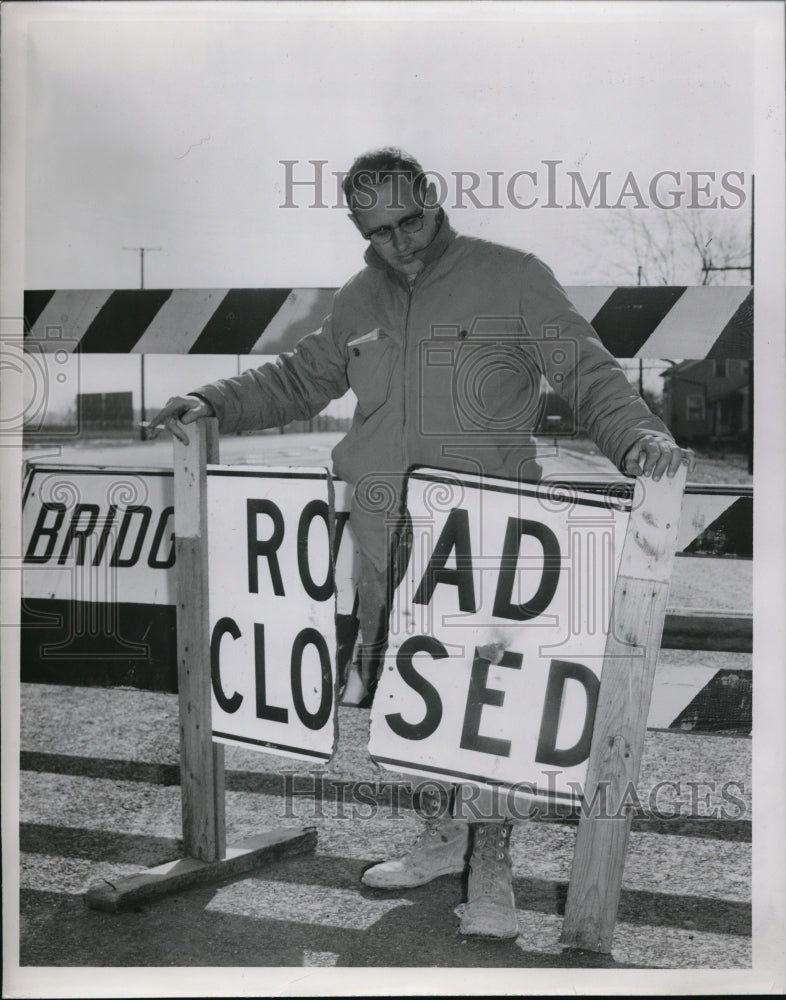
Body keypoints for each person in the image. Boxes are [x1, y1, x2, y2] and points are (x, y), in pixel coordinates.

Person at [149, 147, 694, 940]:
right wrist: (209, 398)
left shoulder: (513, 276)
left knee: (491, 708)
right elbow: (298, 381)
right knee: (411, 694)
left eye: (410, 220)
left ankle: (494, 868)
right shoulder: (357, 299)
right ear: (357, 227)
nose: (400, 242)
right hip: (385, 533)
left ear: (434, 199)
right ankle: (442, 839)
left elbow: (586, 375)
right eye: (379, 230)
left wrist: (639, 435)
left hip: (488, 535)